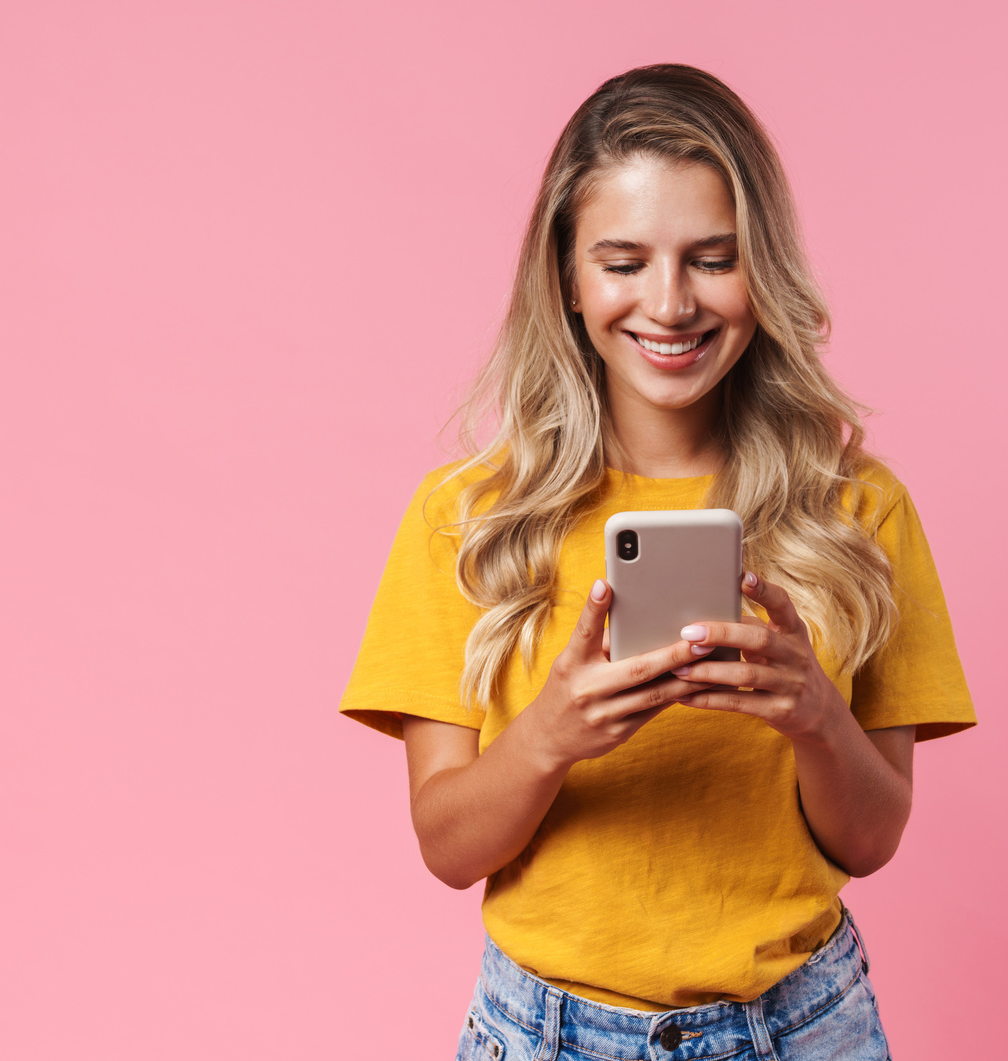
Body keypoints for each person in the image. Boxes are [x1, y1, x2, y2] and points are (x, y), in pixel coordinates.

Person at [340, 63, 975, 1061]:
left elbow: (871, 838)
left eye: (712, 258)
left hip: (803, 1027)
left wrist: (813, 713)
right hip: (546, 1033)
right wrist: (549, 733)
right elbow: (449, 847)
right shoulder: (468, 518)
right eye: (623, 260)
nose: (669, 303)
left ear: (761, 268)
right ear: (566, 275)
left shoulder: (857, 509)